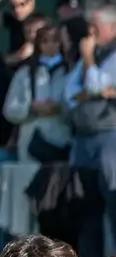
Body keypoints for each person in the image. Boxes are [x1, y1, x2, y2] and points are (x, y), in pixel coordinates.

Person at [65, 6, 116, 257]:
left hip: (112, 138)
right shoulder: (90, 56)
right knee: (88, 203)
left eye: (96, 26)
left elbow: (94, 86)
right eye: (89, 26)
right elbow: (70, 94)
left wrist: (88, 62)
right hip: (85, 139)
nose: (90, 32)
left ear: (112, 28)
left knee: (114, 201)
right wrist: (90, 89)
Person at [5, 20, 72, 163]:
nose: (50, 45)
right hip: (31, 141)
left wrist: (60, 108)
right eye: (45, 41)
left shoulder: (70, 72)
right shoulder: (26, 72)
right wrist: (31, 108)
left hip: (62, 140)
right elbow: (9, 109)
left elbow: (78, 106)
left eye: (55, 41)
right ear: (38, 44)